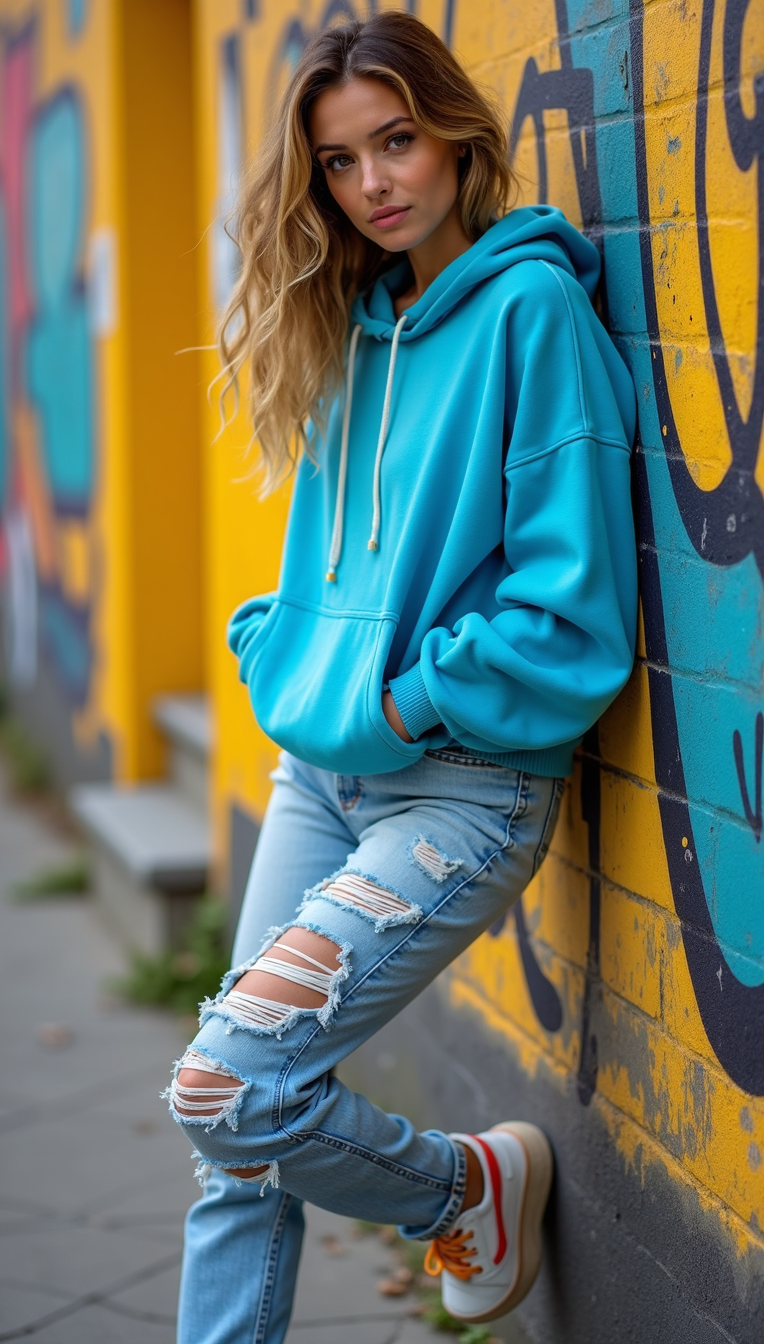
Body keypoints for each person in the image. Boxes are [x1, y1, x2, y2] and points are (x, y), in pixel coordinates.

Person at [164, 12, 637, 1343]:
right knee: (233, 1137)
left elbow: (570, 615)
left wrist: (399, 700)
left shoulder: (531, 312)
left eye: (396, 142)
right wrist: (282, 647)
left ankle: (463, 1188)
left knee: (227, 1086)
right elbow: (322, 553)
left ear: (453, 135)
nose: (374, 184)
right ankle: (461, 1192)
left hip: (458, 788)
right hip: (320, 772)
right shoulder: (358, 319)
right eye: (339, 162)